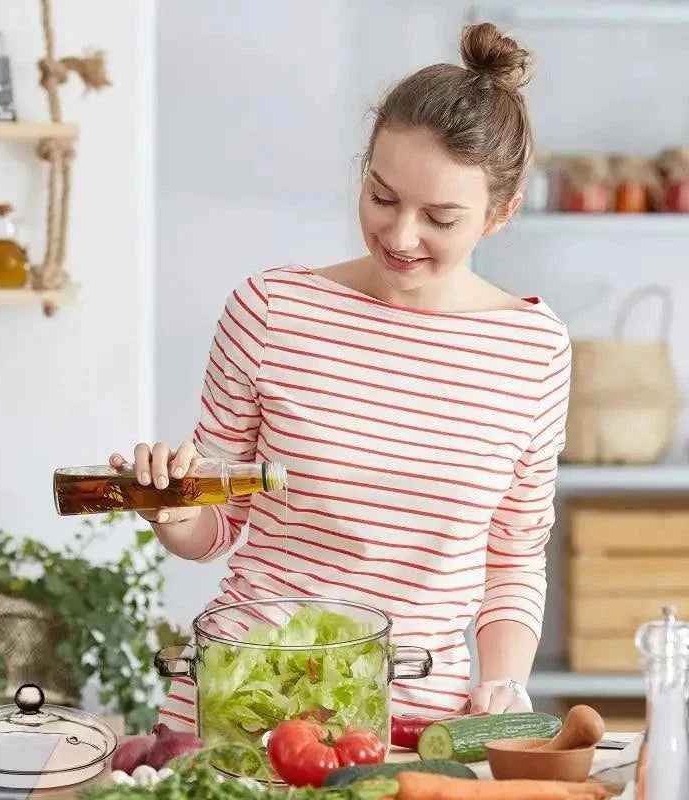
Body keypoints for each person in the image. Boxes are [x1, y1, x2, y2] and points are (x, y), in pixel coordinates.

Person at [110, 21, 571, 731]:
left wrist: (505, 682)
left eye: (440, 217)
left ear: (500, 215)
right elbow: (218, 524)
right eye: (382, 197)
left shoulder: (534, 350)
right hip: (241, 697)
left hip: (412, 722)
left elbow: (513, 553)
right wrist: (171, 512)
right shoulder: (271, 310)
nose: (400, 235)